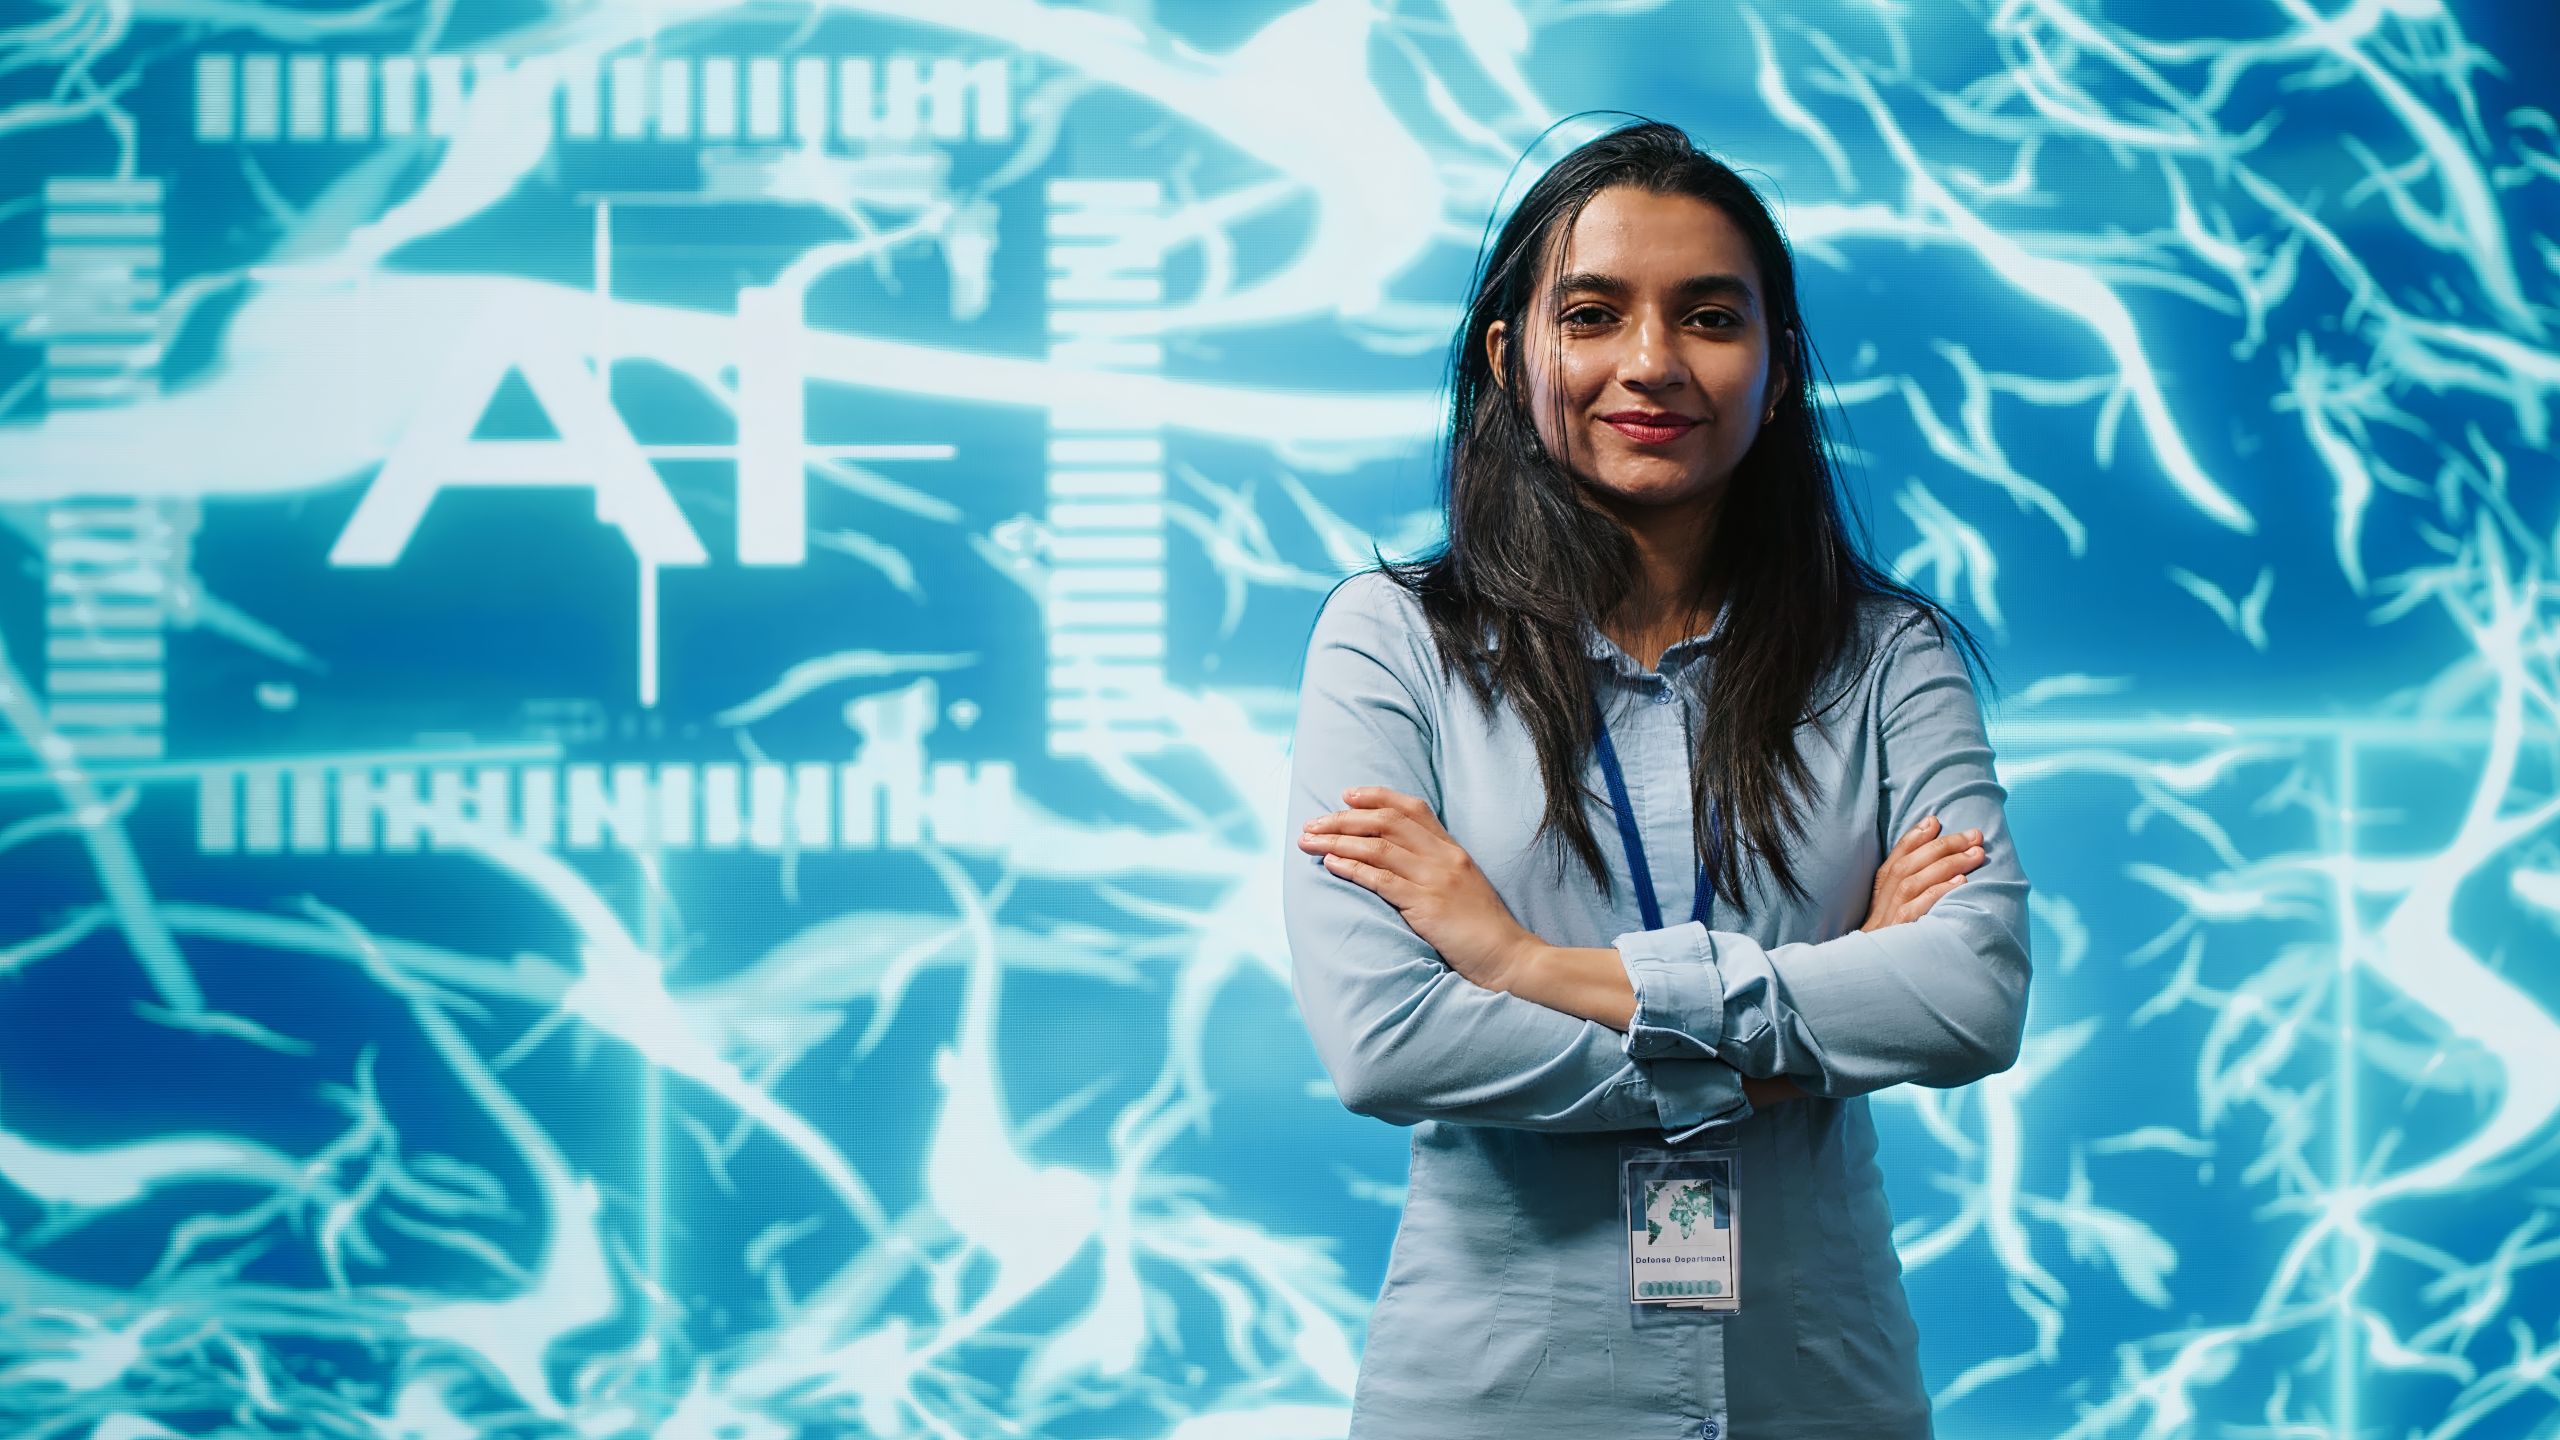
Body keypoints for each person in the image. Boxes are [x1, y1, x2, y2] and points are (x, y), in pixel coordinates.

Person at [1281, 119, 2031, 1439]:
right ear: (1512, 358)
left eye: (1708, 318)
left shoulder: (1887, 659)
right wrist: (1798, 1039)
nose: (1650, 363)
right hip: (1500, 1396)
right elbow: (1387, 1041)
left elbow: (1969, 997)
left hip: (1817, 1390)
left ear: (1780, 369)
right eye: (1592, 312)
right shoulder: (1390, 641)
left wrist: (1519, 964)